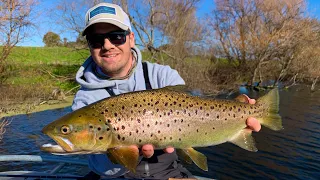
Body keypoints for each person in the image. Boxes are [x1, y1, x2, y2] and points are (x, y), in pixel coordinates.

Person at [72, 2, 261, 179]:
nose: (107, 45)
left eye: (116, 36)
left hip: (167, 172)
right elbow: (99, 165)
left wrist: (239, 111)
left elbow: (195, 109)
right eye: (96, 40)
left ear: (131, 38)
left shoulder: (161, 75)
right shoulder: (85, 99)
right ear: (89, 46)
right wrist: (122, 153)